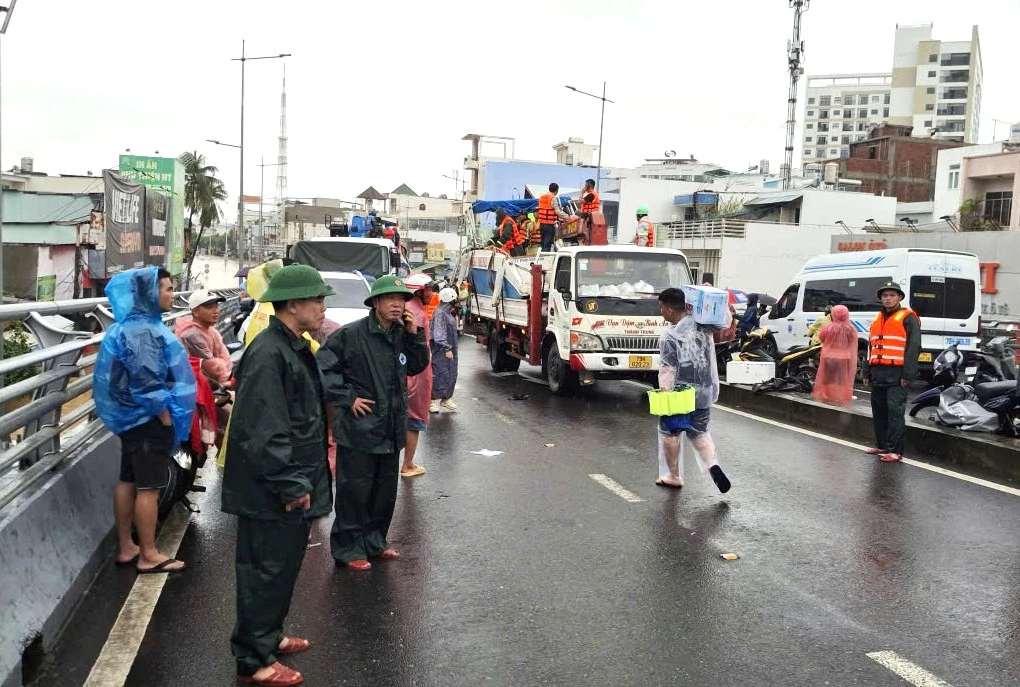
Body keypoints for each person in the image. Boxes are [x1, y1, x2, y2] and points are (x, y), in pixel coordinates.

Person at [221, 264, 335, 687]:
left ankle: (268, 636)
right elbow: (263, 428)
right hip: (270, 488)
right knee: (264, 570)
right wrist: (290, 483)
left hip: (287, 481)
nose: (323, 307)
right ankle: (254, 660)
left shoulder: (291, 345)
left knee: (281, 568)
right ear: (292, 304)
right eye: (317, 299)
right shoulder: (271, 352)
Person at [317, 275, 430, 571]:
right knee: (354, 491)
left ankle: (375, 541)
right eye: (390, 298)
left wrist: (415, 334)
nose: (397, 304)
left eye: (401, 299)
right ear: (376, 302)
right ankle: (348, 548)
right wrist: (347, 396)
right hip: (360, 428)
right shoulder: (351, 335)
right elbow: (323, 368)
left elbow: (417, 365)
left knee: (383, 492)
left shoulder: (401, 334)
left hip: (391, 428)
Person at [94, 267, 196, 574]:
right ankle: (148, 554)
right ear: (150, 293)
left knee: (129, 479)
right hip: (147, 420)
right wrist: (165, 416)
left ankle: (127, 546)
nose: (171, 294)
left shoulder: (130, 326)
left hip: (131, 420)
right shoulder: (144, 333)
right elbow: (147, 382)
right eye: (165, 288)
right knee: (149, 487)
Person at [654, 288, 731, 493]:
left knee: (670, 432)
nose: (661, 311)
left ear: (670, 309)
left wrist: (665, 393)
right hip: (705, 390)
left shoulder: (670, 335)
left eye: (661, 307)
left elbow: (668, 368)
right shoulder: (704, 325)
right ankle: (713, 465)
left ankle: (673, 476)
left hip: (680, 393)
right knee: (699, 433)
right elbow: (725, 320)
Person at [864, 281, 921, 463]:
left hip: (896, 373)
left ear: (900, 297)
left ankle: (896, 451)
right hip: (878, 371)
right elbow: (871, 347)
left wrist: (907, 374)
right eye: (885, 295)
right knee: (879, 410)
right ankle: (882, 445)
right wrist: (866, 371)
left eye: (892, 295)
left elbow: (913, 347)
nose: (888, 298)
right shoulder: (877, 319)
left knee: (895, 412)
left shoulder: (908, 318)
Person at [401, 273, 434, 478]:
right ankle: (408, 464)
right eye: (429, 290)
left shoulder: (410, 309)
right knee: (414, 420)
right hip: (417, 376)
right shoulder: (417, 314)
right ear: (419, 292)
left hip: (409, 373)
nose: (432, 294)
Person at [175, 290, 231, 384]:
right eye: (210, 307)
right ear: (196, 312)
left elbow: (225, 356)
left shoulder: (211, 331)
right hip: (198, 386)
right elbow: (213, 368)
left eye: (216, 306)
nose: (216, 311)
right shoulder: (191, 335)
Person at [813, 305, 858, 406]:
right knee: (842, 380)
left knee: (828, 379)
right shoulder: (851, 329)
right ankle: (840, 396)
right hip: (845, 358)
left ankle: (828, 396)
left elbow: (821, 338)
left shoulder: (829, 327)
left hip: (829, 357)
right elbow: (853, 341)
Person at [430, 287, 460, 412]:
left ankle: (446, 398)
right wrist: (446, 348)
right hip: (442, 350)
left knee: (451, 374)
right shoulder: (440, 313)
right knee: (439, 374)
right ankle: (431, 401)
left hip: (451, 349)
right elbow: (438, 333)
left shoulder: (447, 312)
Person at [537, 183, 571, 252]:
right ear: (557, 190)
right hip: (549, 225)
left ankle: (542, 257)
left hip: (542, 225)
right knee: (547, 245)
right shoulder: (553, 198)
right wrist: (567, 217)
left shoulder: (541, 197)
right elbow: (558, 211)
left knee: (543, 244)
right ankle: (545, 260)